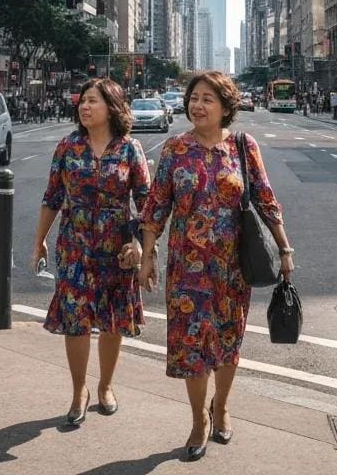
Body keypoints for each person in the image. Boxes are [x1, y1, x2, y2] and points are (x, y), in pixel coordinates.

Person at [140, 70, 294, 461]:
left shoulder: (243, 146)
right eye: (194, 98)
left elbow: (265, 199)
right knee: (192, 346)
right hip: (187, 267)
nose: (198, 105)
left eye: (208, 98)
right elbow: (156, 206)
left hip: (232, 267)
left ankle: (221, 406)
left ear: (226, 107)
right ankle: (197, 420)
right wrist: (146, 255)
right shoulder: (175, 149)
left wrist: (285, 249)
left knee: (228, 343)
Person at [32, 77, 150, 426]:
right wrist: (39, 239)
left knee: (112, 320)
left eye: (93, 101)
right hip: (74, 245)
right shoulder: (67, 147)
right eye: (82, 101)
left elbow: (146, 203)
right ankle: (78, 390)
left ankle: (106, 386)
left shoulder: (130, 149)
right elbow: (52, 197)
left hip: (117, 246)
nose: (85, 106)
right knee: (76, 320)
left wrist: (141, 244)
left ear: (112, 107)